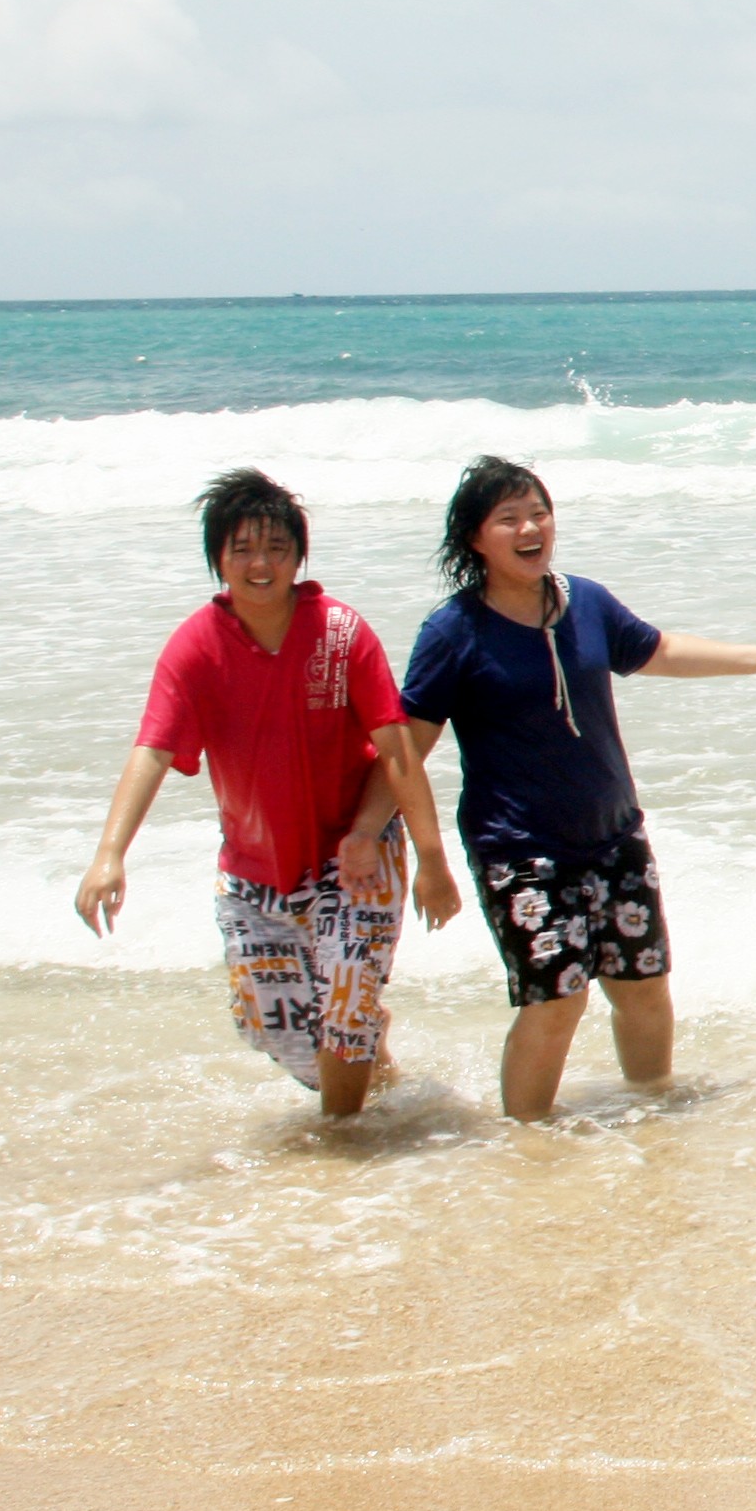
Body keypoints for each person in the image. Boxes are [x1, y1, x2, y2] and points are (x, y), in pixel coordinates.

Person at [396, 457, 756, 1121]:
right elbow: (404, 749)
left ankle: (653, 1116)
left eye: (539, 513)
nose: (531, 528)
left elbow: (658, 650)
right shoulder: (454, 632)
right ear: (475, 538)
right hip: (519, 849)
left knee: (644, 987)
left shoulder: (584, 602)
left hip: (613, 834)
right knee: (556, 1000)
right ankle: (526, 1141)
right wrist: (421, 855)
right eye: (509, 519)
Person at [77, 469, 461, 1118]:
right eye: (243, 549)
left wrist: (431, 859)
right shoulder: (195, 648)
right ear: (219, 559)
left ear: (298, 557)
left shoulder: (340, 632)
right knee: (271, 1026)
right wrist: (109, 855)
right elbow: (152, 749)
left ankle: (343, 1141)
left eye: (277, 548)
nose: (261, 565)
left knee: (344, 1016)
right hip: (255, 872)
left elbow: (397, 748)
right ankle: (372, 1061)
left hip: (356, 856)